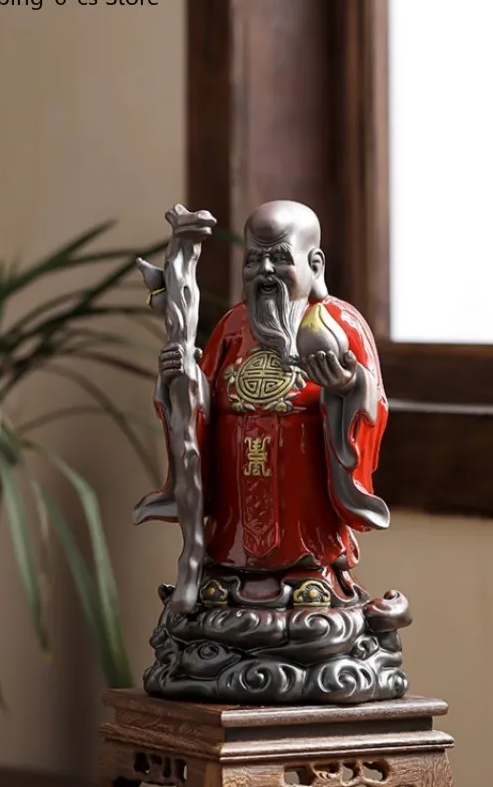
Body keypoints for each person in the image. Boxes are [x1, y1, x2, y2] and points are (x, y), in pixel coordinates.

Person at [139, 199, 390, 598]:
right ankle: (230, 568)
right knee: (221, 592)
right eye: (254, 260)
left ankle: (311, 569)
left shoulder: (341, 324)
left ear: (316, 265)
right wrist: (179, 378)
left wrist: (344, 389)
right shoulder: (233, 326)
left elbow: (372, 403)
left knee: (311, 595)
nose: (265, 272)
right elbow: (196, 407)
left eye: (278, 258)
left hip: (304, 506)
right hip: (234, 507)